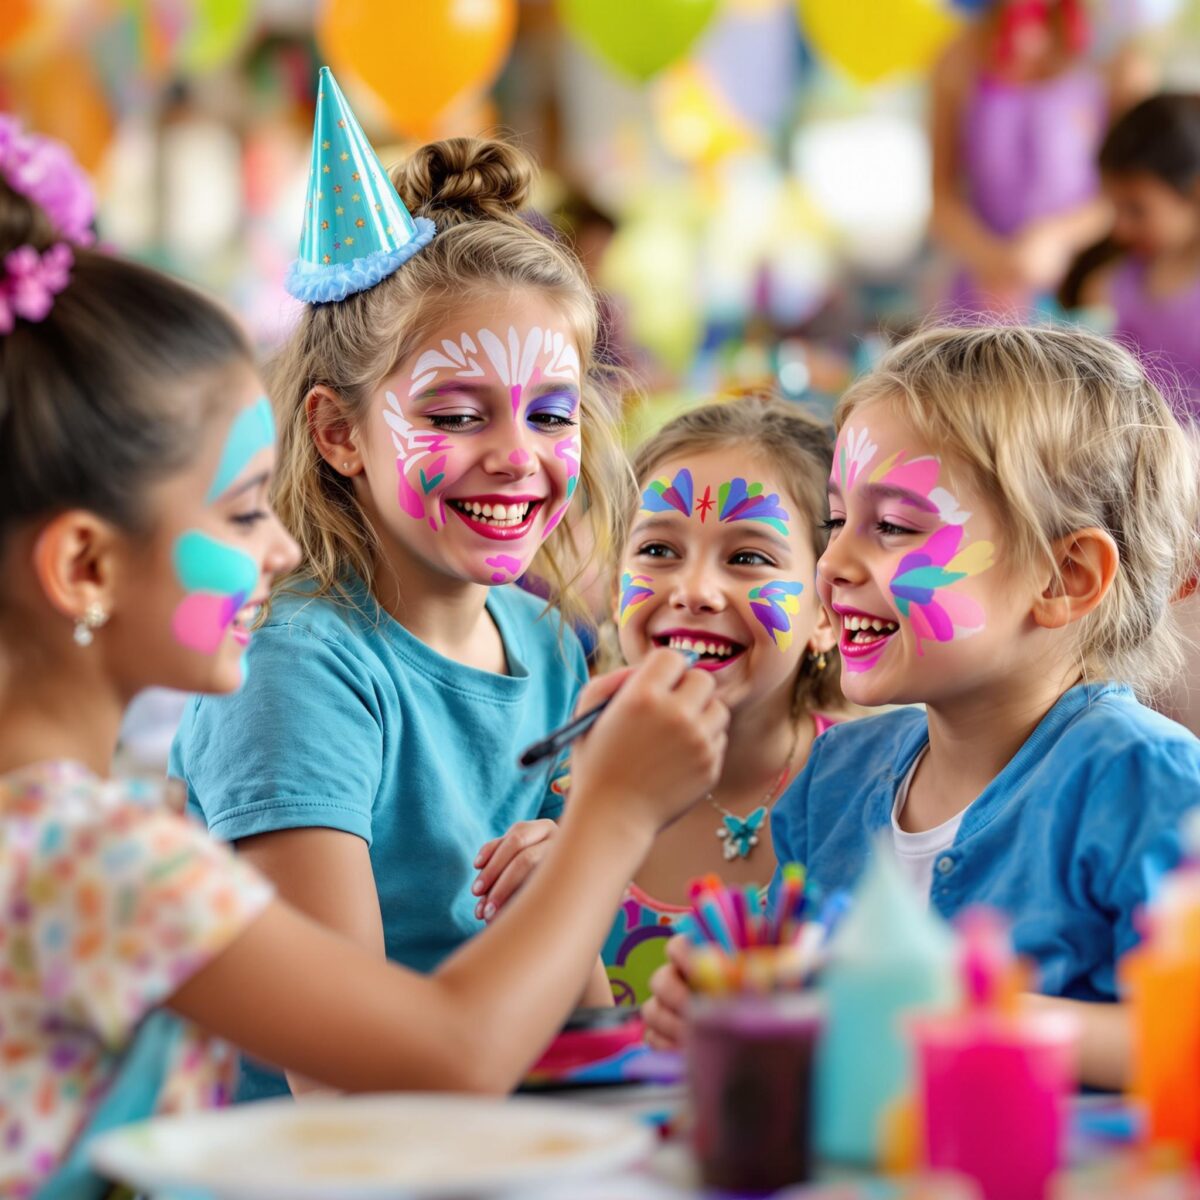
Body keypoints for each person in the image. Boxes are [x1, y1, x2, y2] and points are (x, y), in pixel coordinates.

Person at [0, 115, 728, 1198]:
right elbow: (399, 1081)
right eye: (244, 513)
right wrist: (610, 824)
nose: (281, 543)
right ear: (87, 568)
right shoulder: (86, 850)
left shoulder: (84, 827)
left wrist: (571, 888)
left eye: (551, 413)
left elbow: (557, 1019)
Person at [644, 324, 1200, 1091]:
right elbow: (806, 1009)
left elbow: (1184, 1041)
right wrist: (737, 997)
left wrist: (940, 1009)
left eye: (895, 528)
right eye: (837, 522)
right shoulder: (833, 781)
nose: (833, 564)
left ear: (1064, 577)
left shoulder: (1146, 782)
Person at [930, 0, 1150, 316]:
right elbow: (942, 201)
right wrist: (995, 261)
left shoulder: (1116, 61)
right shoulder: (958, 59)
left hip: (1084, 287)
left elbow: (1135, 194)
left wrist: (1059, 237)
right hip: (985, 293)